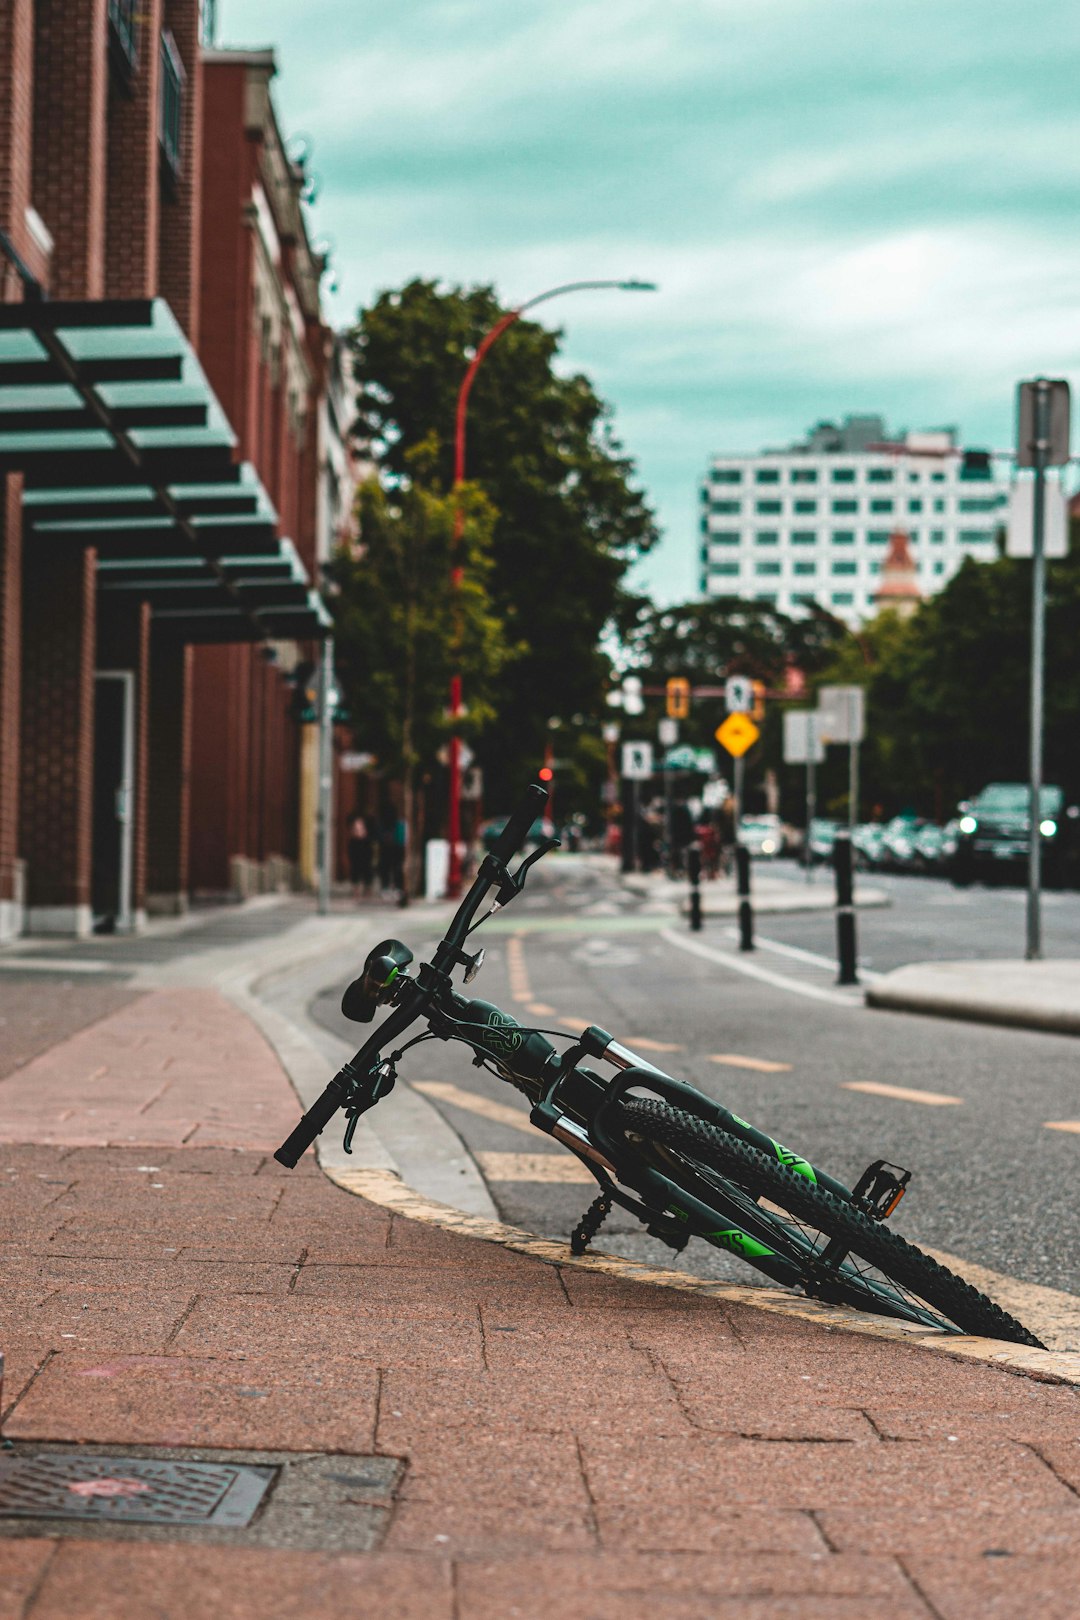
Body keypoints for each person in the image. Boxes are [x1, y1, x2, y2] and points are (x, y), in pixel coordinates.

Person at [347, 812, 372, 899]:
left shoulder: (367, 841)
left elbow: (370, 852)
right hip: (356, 856)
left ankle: (367, 890)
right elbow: (350, 852)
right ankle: (356, 891)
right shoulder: (353, 842)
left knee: (367, 873)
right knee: (355, 873)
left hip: (365, 856)